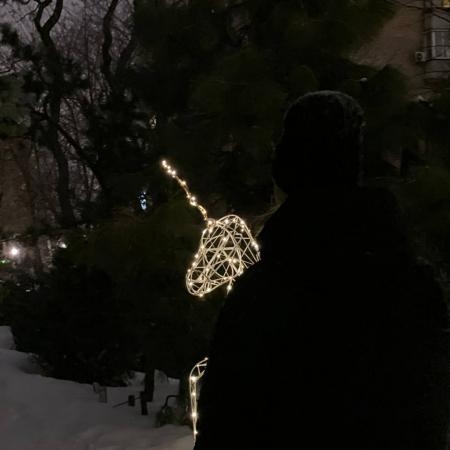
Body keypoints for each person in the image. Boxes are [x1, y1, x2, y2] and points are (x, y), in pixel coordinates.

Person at [193, 91, 449, 450]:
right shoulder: (412, 284)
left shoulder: (264, 293)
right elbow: (426, 418)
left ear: (286, 171)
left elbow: (225, 422)